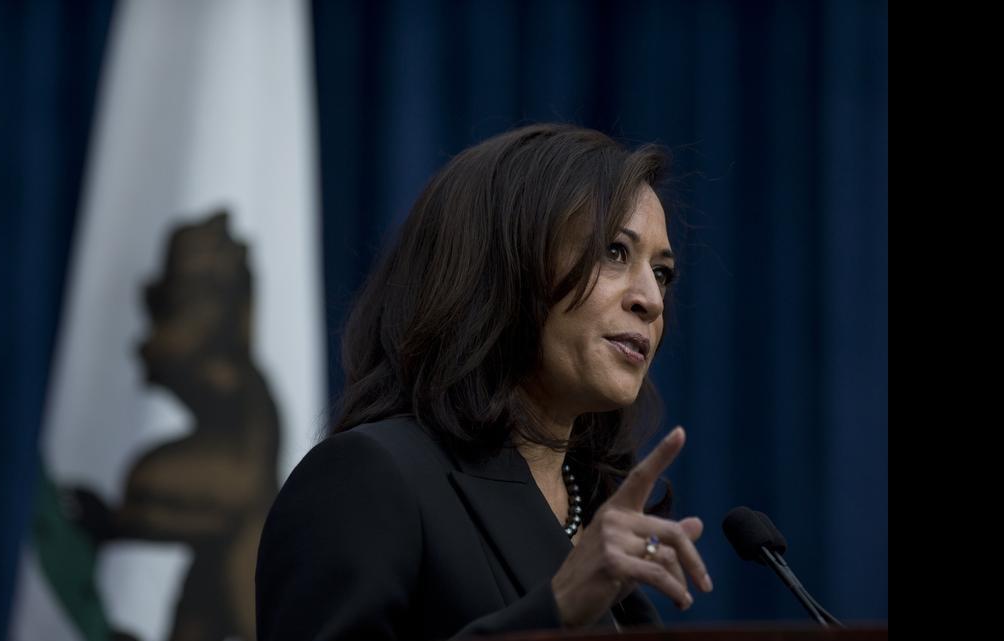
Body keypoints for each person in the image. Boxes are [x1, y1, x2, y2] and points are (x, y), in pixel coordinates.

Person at [255, 123, 712, 640]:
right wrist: (554, 610)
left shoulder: (595, 515)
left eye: (663, 273)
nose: (651, 299)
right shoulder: (368, 478)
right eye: (614, 253)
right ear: (503, 264)